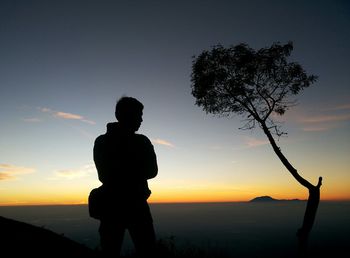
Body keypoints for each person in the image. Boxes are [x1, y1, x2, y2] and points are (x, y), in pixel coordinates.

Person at [93, 96, 158, 257]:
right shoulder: (142, 142)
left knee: (111, 250)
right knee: (146, 250)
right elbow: (151, 171)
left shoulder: (102, 141)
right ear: (122, 115)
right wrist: (135, 171)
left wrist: (123, 171)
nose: (141, 119)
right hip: (132, 205)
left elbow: (106, 175)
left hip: (112, 204)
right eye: (138, 114)